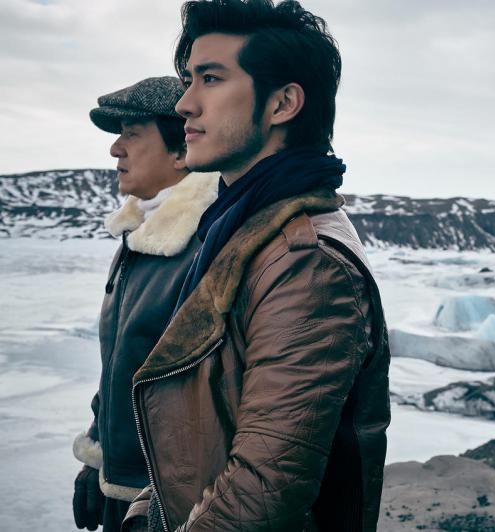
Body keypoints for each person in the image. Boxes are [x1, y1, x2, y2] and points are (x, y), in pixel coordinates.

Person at [121, 1, 391, 531]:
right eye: (189, 80)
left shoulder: (305, 264)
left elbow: (263, 491)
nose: (184, 104)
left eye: (211, 79)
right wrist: (145, 512)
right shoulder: (240, 230)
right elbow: (208, 426)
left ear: (283, 103)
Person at [72, 76, 218, 531]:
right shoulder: (139, 237)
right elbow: (123, 364)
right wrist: (98, 456)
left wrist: (155, 501)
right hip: (123, 484)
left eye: (132, 134)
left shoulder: (204, 247)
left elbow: (205, 400)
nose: (116, 149)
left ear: (181, 152)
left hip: (168, 503)